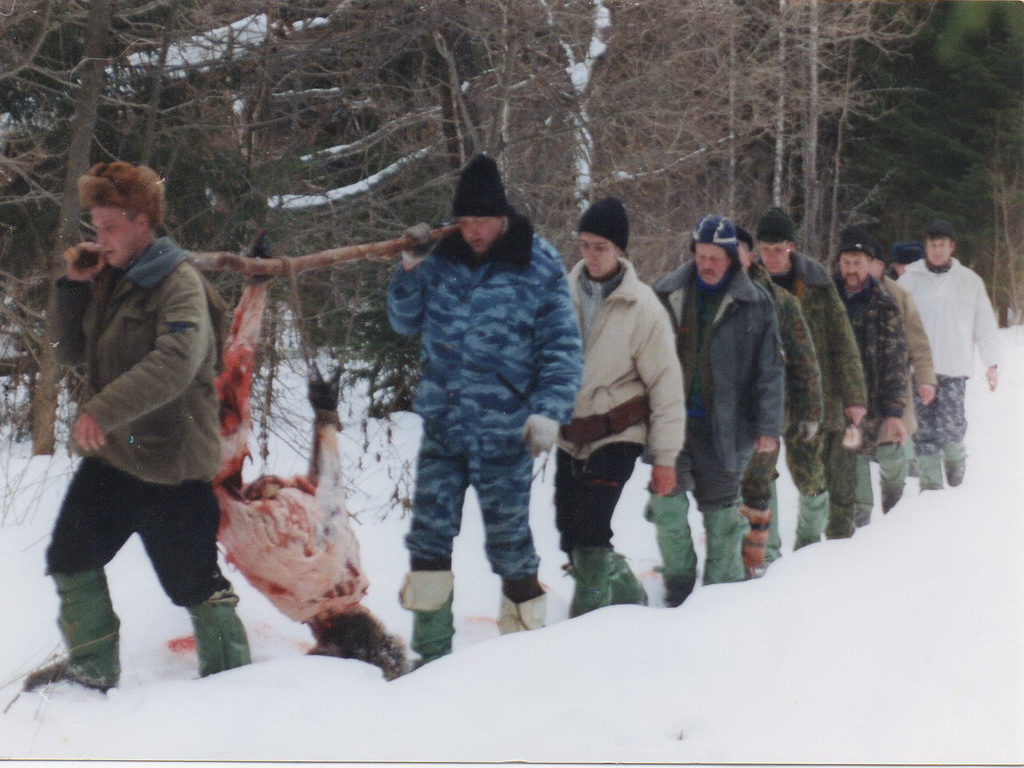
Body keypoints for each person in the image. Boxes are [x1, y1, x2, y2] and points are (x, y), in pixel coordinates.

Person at [27, 161, 250, 693]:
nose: (100, 239)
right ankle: (92, 669)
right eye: (96, 227)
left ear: (142, 222)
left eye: (110, 227)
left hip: (171, 462)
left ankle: (234, 685)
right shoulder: (111, 281)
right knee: (70, 557)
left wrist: (102, 410)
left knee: (192, 584)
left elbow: (176, 362)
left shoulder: (179, 284)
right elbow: (68, 351)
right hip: (117, 456)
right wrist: (74, 289)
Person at [387, 154, 582, 666]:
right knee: (428, 539)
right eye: (465, 221)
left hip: (505, 431)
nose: (473, 231)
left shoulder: (537, 263)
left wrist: (549, 411)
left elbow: (562, 349)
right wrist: (409, 268)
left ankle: (522, 656)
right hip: (444, 428)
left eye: (483, 221)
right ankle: (430, 658)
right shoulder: (440, 257)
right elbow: (403, 321)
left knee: (510, 545)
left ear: (502, 217)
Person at [644, 215, 784, 605]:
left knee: (722, 518)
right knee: (666, 506)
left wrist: (768, 426)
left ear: (732, 259)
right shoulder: (666, 293)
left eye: (715, 258)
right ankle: (677, 585)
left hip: (727, 428)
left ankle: (721, 598)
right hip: (671, 424)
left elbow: (770, 371)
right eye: (701, 256)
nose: (707, 264)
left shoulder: (756, 303)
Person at [555, 197, 685, 616]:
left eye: (601, 247)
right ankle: (625, 590)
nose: (591, 255)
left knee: (591, 529)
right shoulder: (558, 296)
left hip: (618, 431)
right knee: (569, 532)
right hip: (569, 433)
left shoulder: (643, 307)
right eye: (584, 245)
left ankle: (586, 625)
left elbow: (665, 383)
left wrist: (665, 458)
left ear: (619, 249)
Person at [754, 207, 867, 545]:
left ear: (791, 246)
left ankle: (808, 543)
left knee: (811, 477)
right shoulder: (748, 284)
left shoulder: (816, 282)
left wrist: (854, 397)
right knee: (758, 476)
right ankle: (767, 553)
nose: (771, 257)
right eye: (765, 249)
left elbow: (842, 339)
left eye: (778, 249)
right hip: (762, 397)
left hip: (809, 395)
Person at [735, 226, 822, 577]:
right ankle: (736, 558)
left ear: (749, 256)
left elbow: (805, 360)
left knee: (759, 481)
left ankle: (765, 561)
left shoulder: (780, 301)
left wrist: (810, 411)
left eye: (737, 252)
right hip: (723, 411)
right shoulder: (710, 298)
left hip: (768, 410)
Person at [897, 219, 1000, 490]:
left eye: (942, 245)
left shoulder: (969, 281)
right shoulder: (909, 280)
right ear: (926, 246)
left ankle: (955, 465)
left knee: (951, 426)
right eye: (932, 245)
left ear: (952, 247)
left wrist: (992, 363)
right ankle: (931, 485)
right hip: (920, 370)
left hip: (954, 366)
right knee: (923, 429)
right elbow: (895, 322)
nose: (937, 250)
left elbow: (984, 323)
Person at [831, 229, 910, 538]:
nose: (851, 270)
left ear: (870, 264)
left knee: (891, 462)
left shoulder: (885, 303)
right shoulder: (826, 298)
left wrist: (894, 411)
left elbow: (895, 361)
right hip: (840, 402)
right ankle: (860, 532)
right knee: (853, 464)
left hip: (877, 399)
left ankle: (898, 523)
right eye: (846, 262)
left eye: (858, 263)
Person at [855, 231, 937, 525]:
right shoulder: (841, 294)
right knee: (854, 457)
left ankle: (896, 519)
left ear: (880, 265)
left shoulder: (899, 296)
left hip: (891, 391)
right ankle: (859, 520)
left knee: (891, 457)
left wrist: (925, 378)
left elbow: (918, 343)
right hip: (854, 394)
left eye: (872, 263)